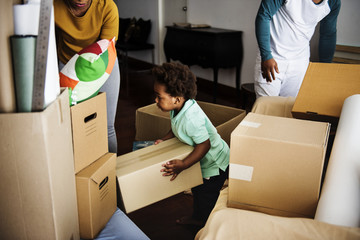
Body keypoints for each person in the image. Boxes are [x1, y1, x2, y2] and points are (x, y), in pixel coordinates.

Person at [152, 62, 229, 227]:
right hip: (204, 161)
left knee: (205, 195)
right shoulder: (177, 108)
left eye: (159, 97)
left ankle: (206, 225)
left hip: (215, 163)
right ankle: (199, 216)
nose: (156, 100)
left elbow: (204, 145)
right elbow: (175, 127)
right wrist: (164, 139)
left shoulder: (191, 118)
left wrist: (183, 164)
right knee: (197, 189)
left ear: (177, 98)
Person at [54, 0, 120, 154]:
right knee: (72, 125)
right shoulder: (52, 5)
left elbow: (106, 48)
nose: (80, 0)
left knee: (107, 126)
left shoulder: (107, 7)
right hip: (67, 65)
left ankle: (111, 171)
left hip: (102, 63)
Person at [254, 0, 341, 98]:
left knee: (289, 108)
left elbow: (328, 34)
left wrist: (325, 68)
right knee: (266, 108)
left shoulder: (333, 2)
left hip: (300, 62)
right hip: (272, 57)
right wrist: (266, 56)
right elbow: (264, 15)